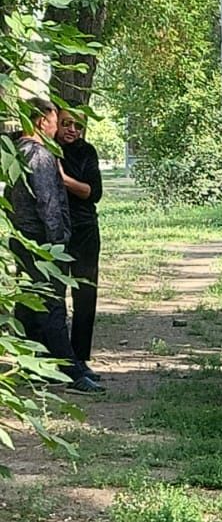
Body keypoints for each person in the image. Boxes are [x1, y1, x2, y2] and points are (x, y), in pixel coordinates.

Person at [8, 98, 104, 393]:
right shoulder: (39, 155)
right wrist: (58, 241)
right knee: (52, 305)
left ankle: (30, 365)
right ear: (41, 122)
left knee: (28, 302)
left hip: (21, 237)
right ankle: (71, 372)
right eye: (55, 121)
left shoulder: (16, 152)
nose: (57, 128)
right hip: (42, 241)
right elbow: (49, 202)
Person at [58, 109, 103, 380]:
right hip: (56, 231)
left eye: (78, 125)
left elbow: (93, 192)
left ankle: (81, 358)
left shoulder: (87, 151)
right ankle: (60, 357)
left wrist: (64, 180)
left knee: (85, 294)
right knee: (54, 296)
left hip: (85, 230)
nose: (72, 129)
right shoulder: (47, 149)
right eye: (66, 124)